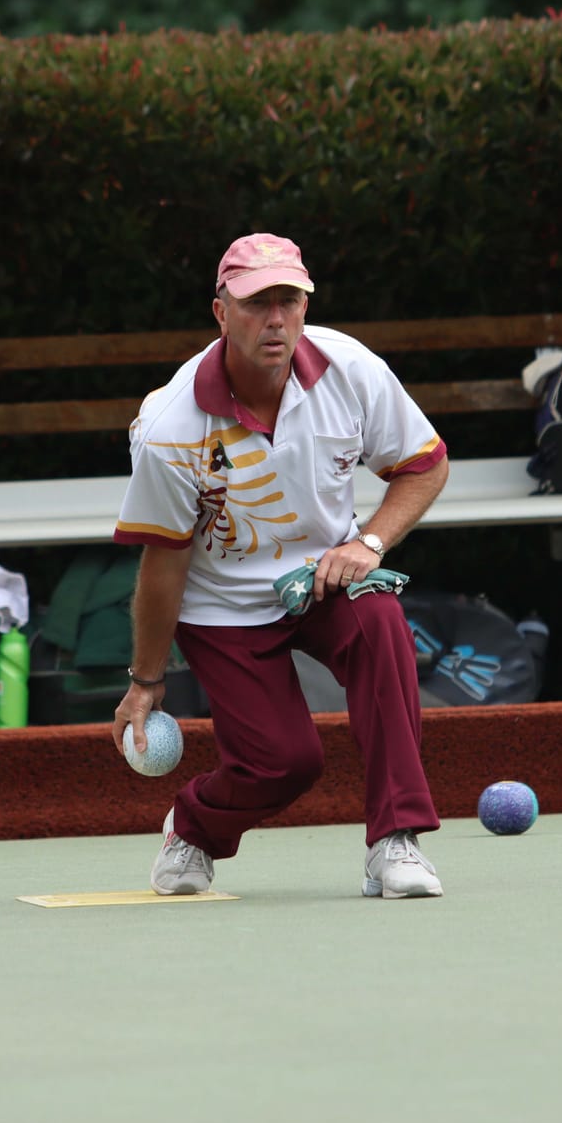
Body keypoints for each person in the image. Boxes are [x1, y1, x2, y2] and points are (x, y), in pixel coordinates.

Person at [111, 232, 452, 899]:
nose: (275, 319)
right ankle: (193, 828)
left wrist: (369, 543)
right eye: (255, 303)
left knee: (381, 619)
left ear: (305, 307)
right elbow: (164, 564)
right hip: (223, 608)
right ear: (221, 313)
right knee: (285, 763)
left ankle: (396, 839)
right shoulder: (169, 427)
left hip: (329, 577)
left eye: (288, 301)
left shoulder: (351, 369)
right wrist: (146, 680)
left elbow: (424, 466)